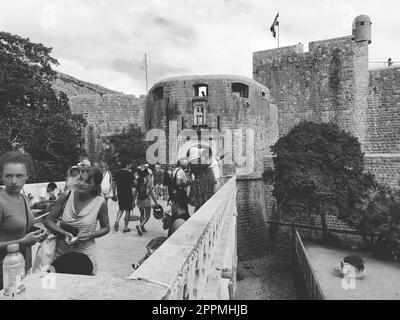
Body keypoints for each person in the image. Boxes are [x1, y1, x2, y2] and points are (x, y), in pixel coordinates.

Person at [44, 166, 110, 275]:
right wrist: (63, 233)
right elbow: (48, 221)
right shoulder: (66, 195)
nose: (81, 183)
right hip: (61, 255)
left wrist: (90, 235)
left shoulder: (100, 202)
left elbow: (106, 228)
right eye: (80, 179)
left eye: (87, 182)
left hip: (86, 254)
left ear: (95, 186)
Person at [0, 152, 47, 290]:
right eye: (8, 176)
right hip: (3, 270)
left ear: (27, 176)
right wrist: (21, 242)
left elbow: (22, 228)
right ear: (1, 175)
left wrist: (37, 234)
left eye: (19, 175)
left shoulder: (24, 199)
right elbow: (21, 238)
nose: (14, 181)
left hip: (21, 265)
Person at [168, 158, 190, 237]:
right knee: (182, 213)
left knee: (175, 213)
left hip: (175, 195)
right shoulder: (180, 171)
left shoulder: (174, 170)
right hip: (180, 195)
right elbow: (178, 182)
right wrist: (187, 182)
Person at [133, 166, 158, 236]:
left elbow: (135, 192)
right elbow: (151, 193)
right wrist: (156, 202)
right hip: (146, 200)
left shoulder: (137, 181)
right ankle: (141, 225)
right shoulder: (148, 182)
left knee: (141, 214)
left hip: (139, 200)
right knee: (147, 215)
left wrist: (133, 201)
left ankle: (142, 228)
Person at [112, 162, 135, 233]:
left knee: (121, 208)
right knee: (127, 210)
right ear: (127, 165)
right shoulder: (130, 174)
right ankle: (125, 227)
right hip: (128, 194)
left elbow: (114, 184)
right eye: (129, 164)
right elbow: (134, 183)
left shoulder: (117, 173)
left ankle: (117, 221)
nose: (130, 166)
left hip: (120, 193)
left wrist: (114, 193)